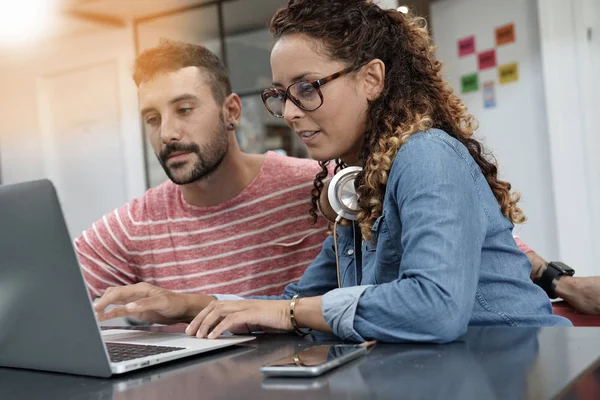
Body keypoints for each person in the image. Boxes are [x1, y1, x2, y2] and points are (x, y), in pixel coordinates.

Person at [95, 0, 572, 343]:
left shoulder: (427, 154)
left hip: (528, 373)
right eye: (281, 94)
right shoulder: (358, 183)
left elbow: (436, 309)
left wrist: (289, 312)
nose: (291, 112)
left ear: (371, 79)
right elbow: (294, 299)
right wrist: (185, 304)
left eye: (306, 87)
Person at [74, 39, 329, 319]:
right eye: (152, 118)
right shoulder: (137, 222)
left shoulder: (319, 186)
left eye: (184, 110)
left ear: (231, 111)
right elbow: (46, 289)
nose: (166, 133)